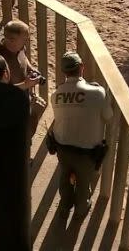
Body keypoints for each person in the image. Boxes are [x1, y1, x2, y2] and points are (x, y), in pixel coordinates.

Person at [50, 52, 113, 220]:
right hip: (87, 152)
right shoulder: (97, 92)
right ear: (82, 68)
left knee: (64, 176)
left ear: (64, 72)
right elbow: (108, 116)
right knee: (84, 183)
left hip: (62, 148)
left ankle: (64, 205)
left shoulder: (55, 95)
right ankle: (81, 209)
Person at [0, 20, 46, 147]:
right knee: (20, 134)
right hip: (9, 105)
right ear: (11, 40)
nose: (27, 40)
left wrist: (31, 69)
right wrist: (25, 85)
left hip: (22, 98)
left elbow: (24, 58)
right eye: (25, 38)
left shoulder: (20, 47)